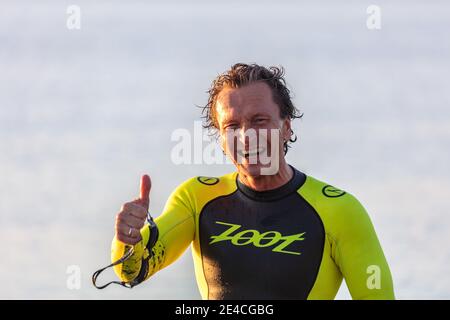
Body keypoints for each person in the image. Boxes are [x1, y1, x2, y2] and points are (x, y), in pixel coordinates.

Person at [111, 63, 395, 299]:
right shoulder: (197, 199)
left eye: (259, 121)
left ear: (286, 127)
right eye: (232, 126)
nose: (247, 136)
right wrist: (127, 240)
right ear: (221, 139)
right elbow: (132, 271)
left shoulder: (339, 211)